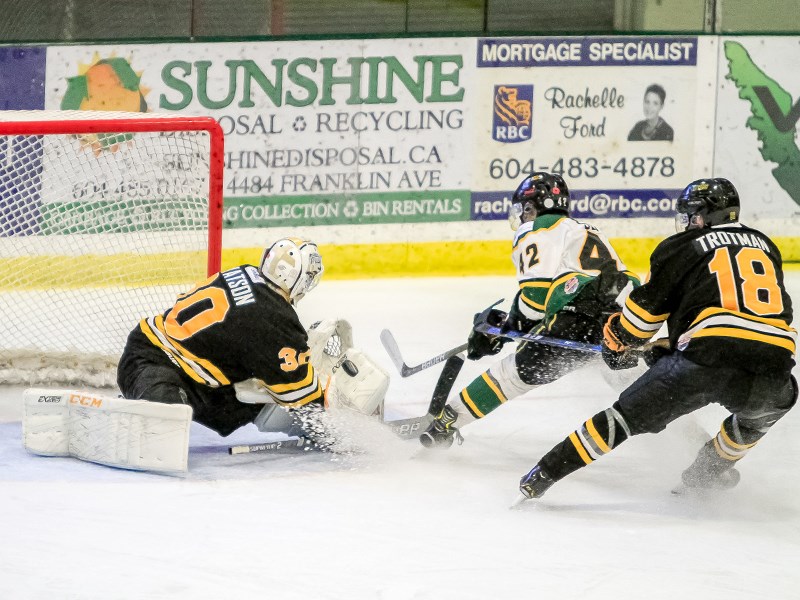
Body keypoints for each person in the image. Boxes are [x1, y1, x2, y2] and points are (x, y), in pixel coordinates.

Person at [518, 178, 797, 500]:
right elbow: (750, 316)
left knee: (622, 419)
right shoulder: (765, 245)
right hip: (776, 363)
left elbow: (639, 323)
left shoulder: (681, 246)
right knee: (755, 420)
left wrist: (618, 342)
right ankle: (703, 475)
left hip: (705, 360)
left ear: (698, 217)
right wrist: (674, 343)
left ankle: (542, 475)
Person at [420, 172, 640, 448]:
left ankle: (444, 426)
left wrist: (505, 328)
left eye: (524, 208)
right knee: (645, 391)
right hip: (625, 322)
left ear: (532, 206)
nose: (522, 215)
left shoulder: (537, 228)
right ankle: (697, 445)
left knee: (511, 374)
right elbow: (556, 294)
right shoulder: (584, 229)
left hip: (580, 317)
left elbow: (536, 300)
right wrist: (507, 325)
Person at [117, 236, 340, 447]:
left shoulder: (247, 271)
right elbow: (303, 397)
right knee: (164, 433)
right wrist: (330, 431)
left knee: (247, 400)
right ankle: (140, 407)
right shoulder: (275, 319)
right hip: (152, 361)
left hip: (191, 374)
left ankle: (148, 402)